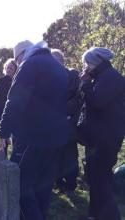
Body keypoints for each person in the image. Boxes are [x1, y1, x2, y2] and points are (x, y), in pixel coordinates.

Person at [0, 40, 68, 220]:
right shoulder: (58, 67)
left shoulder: (30, 64)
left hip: (34, 138)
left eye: (17, 61)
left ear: (22, 55)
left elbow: (14, 101)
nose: (18, 64)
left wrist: (3, 132)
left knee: (21, 186)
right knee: (43, 185)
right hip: (57, 138)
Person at [78, 47, 125, 220]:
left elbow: (98, 101)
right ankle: (94, 215)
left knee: (101, 182)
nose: (85, 67)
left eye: (86, 63)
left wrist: (85, 84)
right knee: (95, 179)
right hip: (99, 137)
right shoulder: (102, 76)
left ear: (94, 62)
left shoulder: (110, 77)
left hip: (105, 139)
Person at [51, 49, 81, 194]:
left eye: (57, 59)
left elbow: (77, 98)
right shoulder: (48, 77)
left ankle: (71, 185)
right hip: (53, 125)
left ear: (62, 60)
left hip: (69, 124)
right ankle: (57, 181)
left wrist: (63, 110)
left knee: (69, 155)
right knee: (54, 154)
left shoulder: (73, 74)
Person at [0, 58, 17, 157]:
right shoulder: (1, 80)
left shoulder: (17, 80)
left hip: (14, 111)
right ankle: (4, 156)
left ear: (15, 69)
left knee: (15, 136)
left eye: (11, 68)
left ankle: (15, 156)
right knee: (4, 135)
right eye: (8, 67)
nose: (9, 69)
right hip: (3, 110)